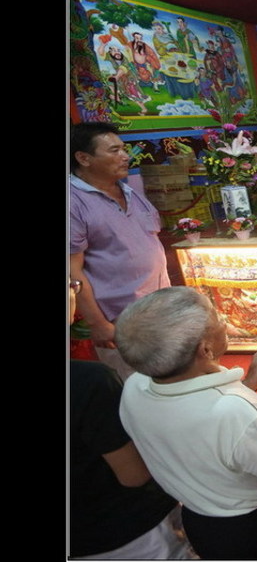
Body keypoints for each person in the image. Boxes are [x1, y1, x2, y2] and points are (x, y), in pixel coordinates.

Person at [116, 287, 257, 560]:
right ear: (206, 349)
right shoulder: (234, 412)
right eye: (217, 317)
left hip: (204, 525)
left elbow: (201, 428)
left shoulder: (135, 386)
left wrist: (249, 384)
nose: (225, 321)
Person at [69, 278, 191, 560]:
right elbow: (135, 475)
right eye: (71, 285)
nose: (74, 291)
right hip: (125, 532)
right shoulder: (88, 382)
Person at [70, 123, 170, 379]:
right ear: (84, 158)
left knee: (171, 380)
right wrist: (98, 323)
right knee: (137, 384)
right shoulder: (73, 201)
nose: (125, 156)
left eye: (123, 149)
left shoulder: (128, 191)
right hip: (121, 320)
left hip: (159, 309)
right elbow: (72, 272)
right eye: (114, 151)